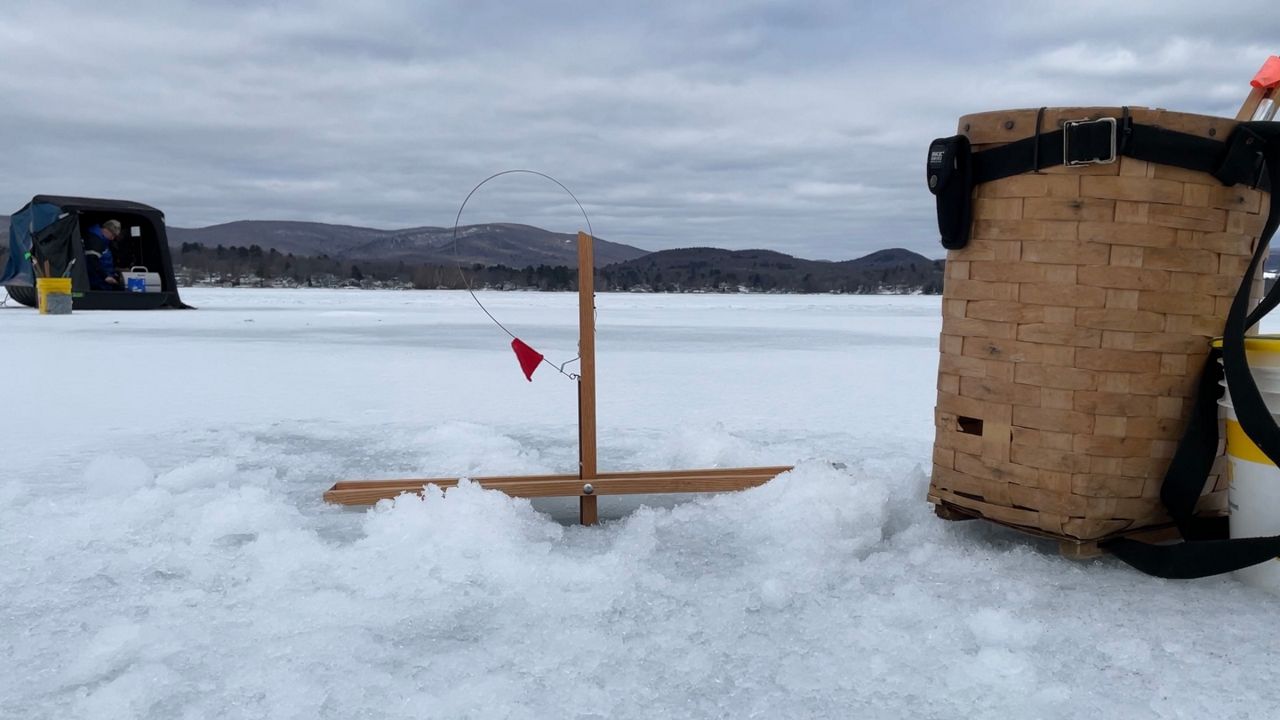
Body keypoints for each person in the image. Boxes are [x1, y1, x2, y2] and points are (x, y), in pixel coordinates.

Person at [84, 219, 123, 290]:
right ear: (106, 230)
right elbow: (92, 260)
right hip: (96, 283)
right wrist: (105, 277)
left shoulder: (104, 241)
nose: (112, 238)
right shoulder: (95, 240)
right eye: (113, 235)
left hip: (103, 281)